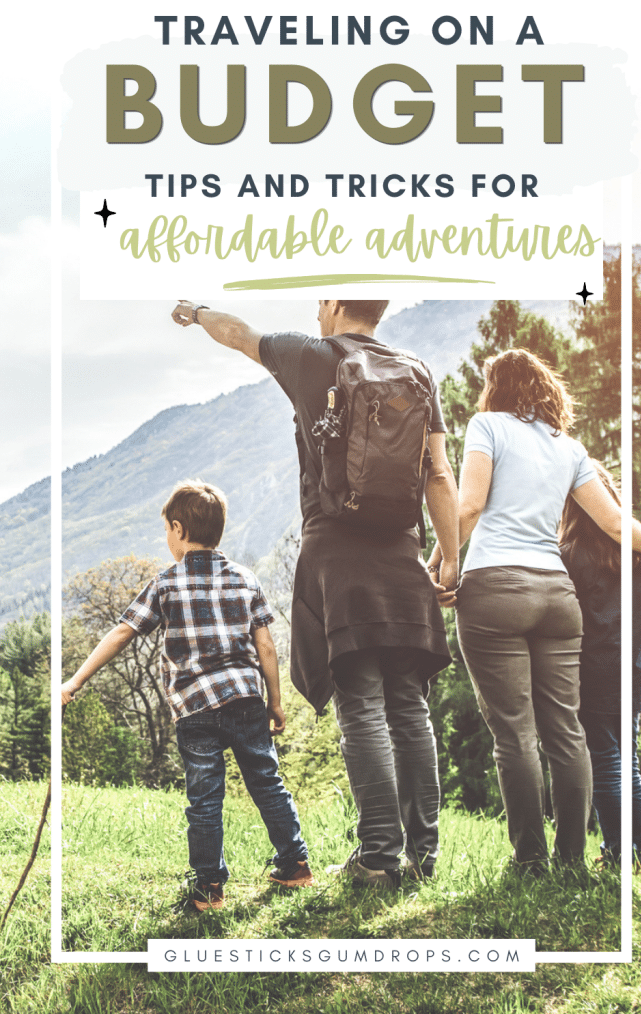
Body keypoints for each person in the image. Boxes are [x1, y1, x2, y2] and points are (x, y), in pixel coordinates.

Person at [171, 299, 459, 888]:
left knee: (362, 705)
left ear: (331, 304)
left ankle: (378, 856)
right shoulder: (417, 370)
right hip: (404, 553)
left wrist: (198, 312)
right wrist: (451, 555)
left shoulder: (310, 356)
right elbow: (438, 474)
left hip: (338, 554)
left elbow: (240, 334)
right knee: (410, 706)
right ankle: (420, 859)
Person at [433, 348, 641, 874]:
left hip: (495, 589)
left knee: (514, 732)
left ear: (495, 387)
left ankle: (531, 859)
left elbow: (467, 506)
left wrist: (444, 564)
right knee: (567, 732)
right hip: (558, 598)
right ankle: (574, 861)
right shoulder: (571, 448)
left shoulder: (486, 426)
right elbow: (613, 521)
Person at [61, 479, 313, 911]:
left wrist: (74, 681)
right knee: (267, 781)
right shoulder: (244, 578)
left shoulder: (166, 583)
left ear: (178, 529)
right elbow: (266, 646)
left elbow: (123, 632)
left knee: (204, 797)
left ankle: (209, 889)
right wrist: (275, 699)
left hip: (195, 708)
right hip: (246, 698)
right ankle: (295, 865)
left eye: (166, 532)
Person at [560, 460, 641, 870]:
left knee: (606, 762)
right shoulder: (637, 558)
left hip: (590, 675)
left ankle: (618, 853)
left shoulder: (568, 557)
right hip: (633, 676)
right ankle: (636, 853)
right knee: (627, 762)